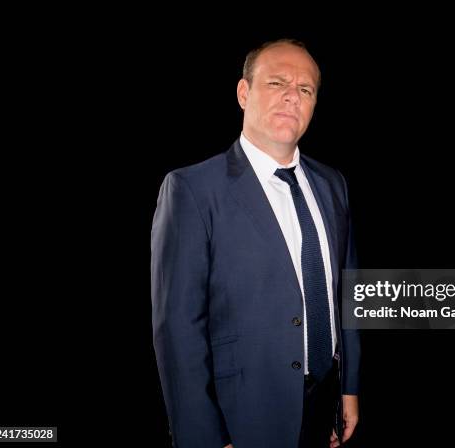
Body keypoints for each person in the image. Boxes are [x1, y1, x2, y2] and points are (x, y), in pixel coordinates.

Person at [151, 38, 360, 448]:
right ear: (243, 93)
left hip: (324, 403)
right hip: (243, 417)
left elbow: (346, 293)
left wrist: (348, 388)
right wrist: (203, 438)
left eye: (305, 89)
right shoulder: (191, 190)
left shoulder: (333, 184)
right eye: (276, 83)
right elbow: (177, 330)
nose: (291, 97)